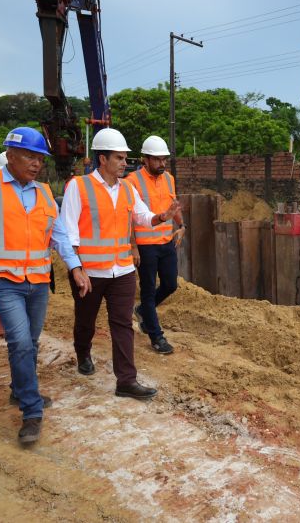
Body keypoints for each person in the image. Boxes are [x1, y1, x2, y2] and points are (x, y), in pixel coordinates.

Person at [0, 127, 91, 445]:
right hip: (1, 280)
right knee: (21, 343)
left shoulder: (43, 194)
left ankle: (18, 389)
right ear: (10, 156)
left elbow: (59, 236)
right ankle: (31, 410)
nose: (36, 163)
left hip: (38, 281)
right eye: (29, 156)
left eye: (40, 158)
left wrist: (76, 267)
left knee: (31, 340)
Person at [59, 128, 180, 400]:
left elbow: (142, 217)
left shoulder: (127, 188)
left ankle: (126, 380)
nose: (125, 163)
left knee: (123, 324)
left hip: (122, 270)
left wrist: (163, 216)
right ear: (102, 159)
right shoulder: (78, 187)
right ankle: (83, 353)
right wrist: (76, 269)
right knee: (86, 321)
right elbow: (69, 233)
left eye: (125, 158)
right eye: (119, 158)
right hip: (90, 272)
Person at [125, 135, 185, 354]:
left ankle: (142, 311)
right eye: (157, 160)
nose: (162, 163)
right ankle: (156, 336)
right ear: (145, 159)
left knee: (170, 284)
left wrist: (182, 225)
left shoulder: (168, 178)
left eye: (164, 159)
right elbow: (129, 216)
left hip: (166, 241)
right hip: (145, 244)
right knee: (149, 290)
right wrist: (133, 246)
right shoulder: (131, 181)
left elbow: (173, 205)